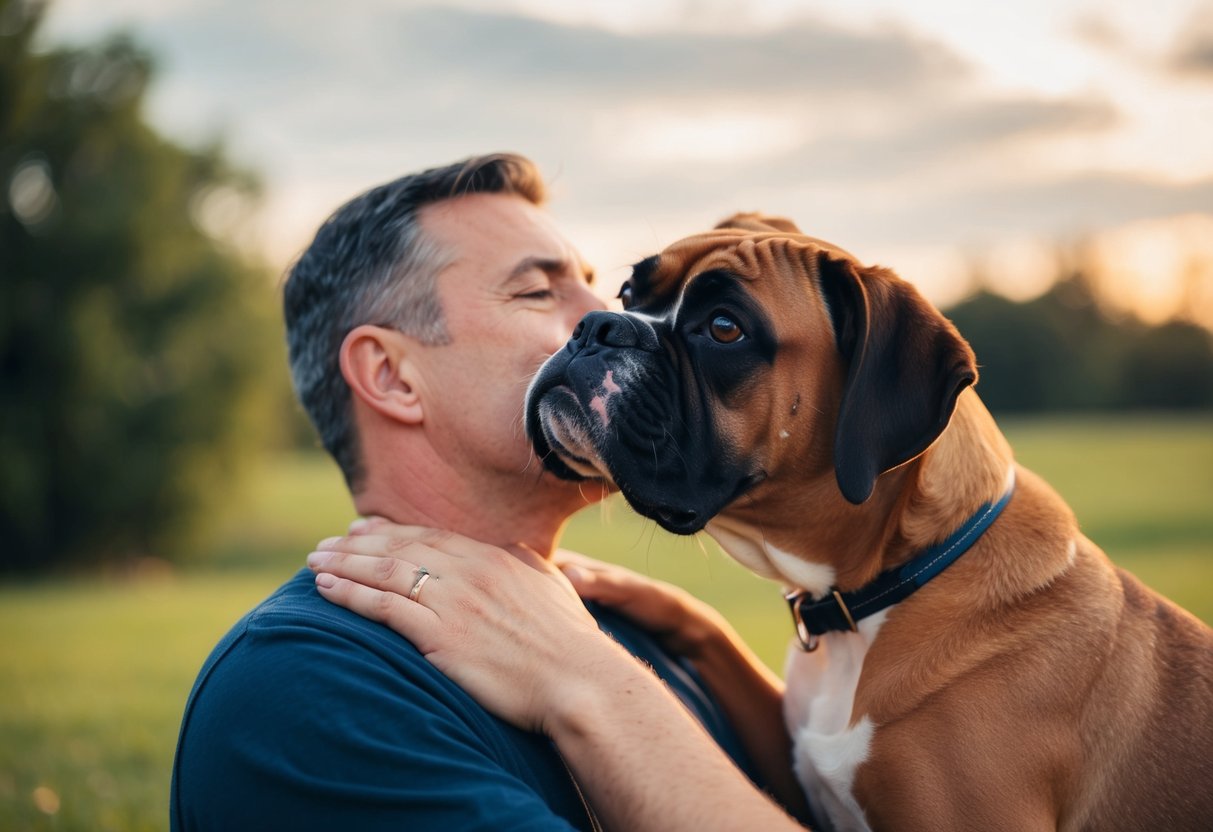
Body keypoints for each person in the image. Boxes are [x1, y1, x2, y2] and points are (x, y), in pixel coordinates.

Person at [170, 153, 807, 831]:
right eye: (536, 292)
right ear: (390, 376)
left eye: (597, 287)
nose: (610, 316)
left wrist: (681, 647)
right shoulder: (299, 690)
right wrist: (589, 681)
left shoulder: (632, 628)